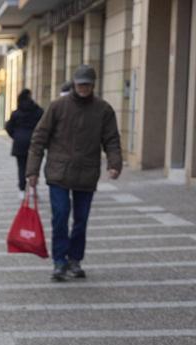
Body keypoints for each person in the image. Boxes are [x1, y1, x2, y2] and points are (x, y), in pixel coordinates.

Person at [26, 64, 122, 281]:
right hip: (59, 172)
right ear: (74, 85)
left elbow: (111, 139)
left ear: (93, 85)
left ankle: (75, 259)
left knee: (81, 219)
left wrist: (114, 163)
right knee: (60, 216)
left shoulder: (103, 110)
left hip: (86, 173)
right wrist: (32, 171)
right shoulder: (58, 107)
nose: (84, 88)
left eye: (87, 85)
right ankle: (59, 261)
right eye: (80, 85)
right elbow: (39, 138)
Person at [5, 89, 43, 194]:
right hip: (34, 142)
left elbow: (8, 127)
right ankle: (32, 188)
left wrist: (16, 136)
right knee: (34, 166)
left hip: (20, 143)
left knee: (22, 167)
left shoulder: (16, 113)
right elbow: (44, 127)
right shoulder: (38, 111)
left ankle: (22, 190)